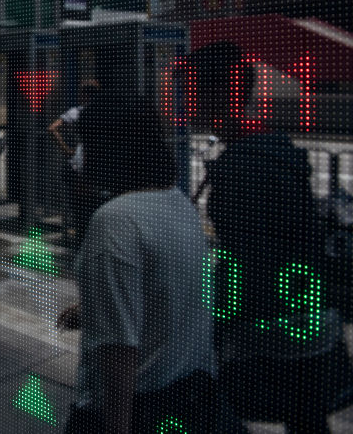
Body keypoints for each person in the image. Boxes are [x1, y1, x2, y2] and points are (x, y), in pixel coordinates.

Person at [189, 41, 352, 433]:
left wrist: (217, 320)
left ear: (218, 95)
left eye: (197, 91)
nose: (193, 103)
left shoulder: (236, 170)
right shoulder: (281, 150)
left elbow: (249, 262)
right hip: (311, 319)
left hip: (271, 332)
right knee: (308, 421)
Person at [60, 94, 216, 434]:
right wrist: (93, 309)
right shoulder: (177, 202)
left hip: (134, 407)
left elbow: (119, 351)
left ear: (110, 150)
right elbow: (162, 294)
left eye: (88, 145)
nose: (81, 158)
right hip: (187, 396)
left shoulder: (115, 222)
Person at [48, 79, 100, 244]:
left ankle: (79, 237)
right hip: (98, 166)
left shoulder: (77, 112)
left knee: (78, 205)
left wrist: (67, 150)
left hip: (78, 164)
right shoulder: (104, 111)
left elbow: (52, 128)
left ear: (84, 95)